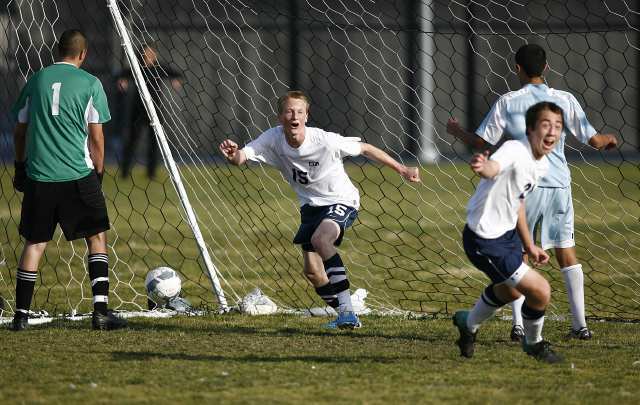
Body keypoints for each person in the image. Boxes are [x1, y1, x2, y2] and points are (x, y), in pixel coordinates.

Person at [447, 44, 617, 341]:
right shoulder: (564, 99)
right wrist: (608, 139)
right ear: (547, 68)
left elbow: (481, 142)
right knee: (566, 252)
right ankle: (581, 326)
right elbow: (593, 140)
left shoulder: (509, 101)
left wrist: (457, 131)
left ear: (517, 69)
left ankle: (518, 324)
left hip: (525, 185)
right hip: (560, 185)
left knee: (519, 253)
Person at [219, 90, 421, 329]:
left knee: (321, 239)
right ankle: (348, 307)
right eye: (289, 111)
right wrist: (232, 154)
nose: (294, 115)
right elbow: (242, 157)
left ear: (306, 116)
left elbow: (365, 148)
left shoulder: (324, 140)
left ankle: (347, 314)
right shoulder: (272, 139)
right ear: (280, 116)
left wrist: (402, 169)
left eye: (300, 111)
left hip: (341, 200)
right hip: (310, 207)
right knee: (313, 273)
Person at [10, 29, 127, 331]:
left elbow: (20, 131)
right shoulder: (91, 83)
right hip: (78, 175)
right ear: (83, 54)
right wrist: (97, 174)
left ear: (56, 51)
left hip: (39, 175)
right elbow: (97, 137)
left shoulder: (36, 80)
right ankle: (100, 312)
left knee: (34, 243)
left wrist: (20, 167)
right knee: (96, 238)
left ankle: (20, 317)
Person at [453, 101, 564, 363]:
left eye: (558, 126)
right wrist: (484, 166)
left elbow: (519, 203)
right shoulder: (515, 149)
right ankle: (533, 344)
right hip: (484, 239)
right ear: (530, 129)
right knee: (540, 290)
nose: (552, 132)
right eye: (546, 125)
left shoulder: (543, 165)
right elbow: (494, 167)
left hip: (508, 236)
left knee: (512, 291)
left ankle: (467, 325)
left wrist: (530, 244)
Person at [117, 45, 182, 180]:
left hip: (155, 110)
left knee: (154, 142)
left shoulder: (159, 68)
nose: (150, 54)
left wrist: (176, 80)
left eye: (152, 52)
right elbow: (122, 74)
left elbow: (177, 73)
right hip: (138, 110)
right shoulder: (137, 68)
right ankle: (124, 172)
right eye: (147, 52)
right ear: (142, 54)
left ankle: (151, 173)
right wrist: (122, 80)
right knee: (132, 141)